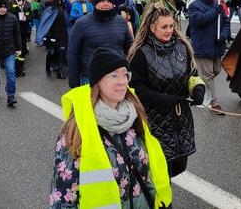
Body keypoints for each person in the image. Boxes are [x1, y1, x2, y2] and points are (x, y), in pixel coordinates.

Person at [49, 47, 172, 209]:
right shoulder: (76, 131)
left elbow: (151, 175)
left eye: (125, 75)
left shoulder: (134, 117)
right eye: (114, 75)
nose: (123, 82)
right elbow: (62, 198)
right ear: (97, 81)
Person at [128, 4, 205, 177]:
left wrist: (197, 88)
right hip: (155, 120)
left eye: (171, 26)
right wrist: (161, 99)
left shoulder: (182, 47)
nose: (169, 30)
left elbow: (192, 74)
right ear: (152, 27)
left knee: (179, 166)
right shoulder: (141, 53)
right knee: (162, 172)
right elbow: (136, 87)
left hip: (181, 118)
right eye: (164, 27)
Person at [68, 0, 133, 88]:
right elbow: (73, 53)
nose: (105, 4)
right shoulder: (81, 23)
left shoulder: (121, 22)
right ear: (95, 4)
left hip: (118, 77)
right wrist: (74, 83)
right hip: (92, 79)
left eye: (108, 1)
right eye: (102, 1)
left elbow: (130, 48)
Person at [188, 0, 228, 115]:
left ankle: (197, 86)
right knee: (208, 75)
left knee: (216, 71)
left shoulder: (217, 5)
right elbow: (198, 20)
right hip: (202, 45)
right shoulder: (194, 6)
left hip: (216, 45)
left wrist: (223, 36)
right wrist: (214, 12)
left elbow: (226, 23)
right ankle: (214, 103)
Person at [36, 0, 69, 79]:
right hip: (52, 35)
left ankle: (60, 71)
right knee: (51, 52)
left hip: (62, 34)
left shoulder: (63, 9)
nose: (60, 1)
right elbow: (46, 23)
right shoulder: (50, 10)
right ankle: (47, 68)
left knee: (61, 51)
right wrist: (48, 35)